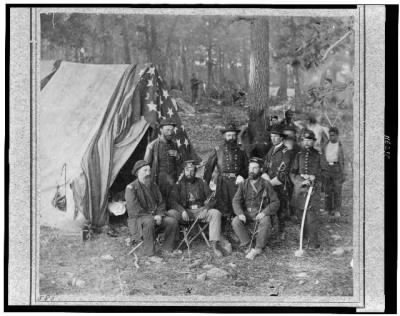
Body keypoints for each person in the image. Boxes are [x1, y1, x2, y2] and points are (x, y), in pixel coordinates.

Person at [168, 160, 232, 257]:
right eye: (187, 170)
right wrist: (182, 211)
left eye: (192, 170)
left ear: (195, 171)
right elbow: (172, 201)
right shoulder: (178, 185)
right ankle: (174, 243)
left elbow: (212, 198)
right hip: (186, 212)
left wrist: (206, 209)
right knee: (171, 213)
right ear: (183, 171)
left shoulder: (201, 182)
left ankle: (214, 246)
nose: (190, 173)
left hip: (200, 211)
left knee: (215, 213)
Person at [125, 160, 179, 257]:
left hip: (155, 216)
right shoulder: (131, 188)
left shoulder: (153, 185)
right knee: (149, 222)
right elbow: (134, 210)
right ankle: (150, 254)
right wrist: (153, 217)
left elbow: (161, 202)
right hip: (138, 220)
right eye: (145, 171)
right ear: (138, 173)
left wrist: (159, 215)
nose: (148, 173)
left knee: (172, 221)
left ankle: (166, 248)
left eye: (149, 170)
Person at [232, 157, 280, 260]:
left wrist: (264, 212)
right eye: (250, 168)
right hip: (247, 213)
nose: (251, 171)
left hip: (260, 213)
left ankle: (258, 247)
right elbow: (236, 201)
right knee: (236, 221)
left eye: (255, 168)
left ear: (260, 169)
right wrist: (240, 213)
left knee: (266, 220)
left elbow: (276, 202)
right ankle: (247, 244)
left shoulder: (266, 184)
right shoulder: (243, 184)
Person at [203, 122, 248, 219]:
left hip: (237, 182)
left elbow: (247, 167)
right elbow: (209, 168)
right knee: (222, 207)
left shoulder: (241, 150)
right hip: (222, 182)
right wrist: (205, 185)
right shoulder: (218, 150)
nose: (231, 138)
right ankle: (225, 227)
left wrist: (242, 175)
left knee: (236, 205)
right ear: (224, 136)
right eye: (229, 135)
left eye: (233, 135)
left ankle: (236, 225)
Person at [290, 130, 323, 249]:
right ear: (302, 141)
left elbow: (322, 172)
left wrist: (315, 177)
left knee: (311, 215)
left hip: (313, 190)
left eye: (310, 140)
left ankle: (313, 242)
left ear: (313, 142)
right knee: (300, 213)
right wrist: (300, 181)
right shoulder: (298, 155)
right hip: (300, 189)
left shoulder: (318, 155)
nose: (307, 142)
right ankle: (303, 238)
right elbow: (292, 173)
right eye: (305, 140)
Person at [262, 126, 292, 240]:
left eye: (275, 137)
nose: (273, 139)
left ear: (281, 138)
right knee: (269, 206)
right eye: (271, 136)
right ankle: (270, 230)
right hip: (269, 183)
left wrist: (269, 183)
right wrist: (264, 175)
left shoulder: (286, 152)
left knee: (281, 208)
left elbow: (283, 172)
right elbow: (265, 165)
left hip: (279, 185)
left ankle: (281, 232)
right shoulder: (271, 149)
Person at [144, 118, 183, 200]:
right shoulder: (152, 145)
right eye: (167, 129)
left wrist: (178, 156)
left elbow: (180, 164)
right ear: (161, 130)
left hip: (172, 180)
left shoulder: (175, 145)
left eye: (172, 130)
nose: (170, 132)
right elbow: (146, 166)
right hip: (158, 181)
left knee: (173, 202)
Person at [321, 126, 345, 217]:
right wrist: (323, 169)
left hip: (336, 169)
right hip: (327, 169)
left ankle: (337, 210)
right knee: (327, 191)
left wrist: (343, 173)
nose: (332, 137)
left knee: (337, 190)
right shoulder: (326, 145)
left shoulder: (340, 146)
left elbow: (343, 160)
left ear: (337, 135)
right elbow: (322, 157)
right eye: (330, 135)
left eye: (333, 135)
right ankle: (327, 209)